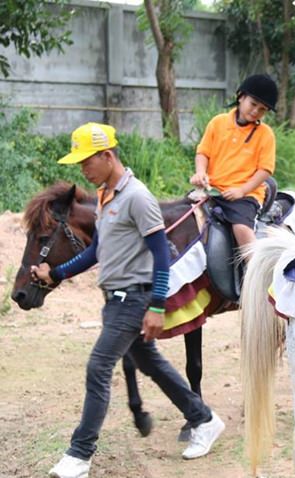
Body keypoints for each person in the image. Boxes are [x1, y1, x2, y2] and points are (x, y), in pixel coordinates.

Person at [32, 122, 225, 478]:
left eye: (87, 162)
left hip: (133, 299)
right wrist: (55, 274)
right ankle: (204, 419)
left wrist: (155, 307)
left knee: (98, 366)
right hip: (114, 300)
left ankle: (79, 454)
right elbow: (96, 253)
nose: (83, 170)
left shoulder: (137, 197)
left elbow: (162, 256)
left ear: (107, 156)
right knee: (151, 364)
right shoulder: (107, 197)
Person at [190, 74, 278, 249]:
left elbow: (265, 170)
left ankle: (252, 268)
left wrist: (241, 190)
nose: (255, 111)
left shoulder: (265, 134)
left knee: (242, 229)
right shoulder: (218, 123)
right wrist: (200, 173)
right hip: (212, 190)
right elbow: (203, 153)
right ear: (241, 96)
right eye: (253, 104)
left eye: (262, 109)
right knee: (184, 214)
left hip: (245, 197)